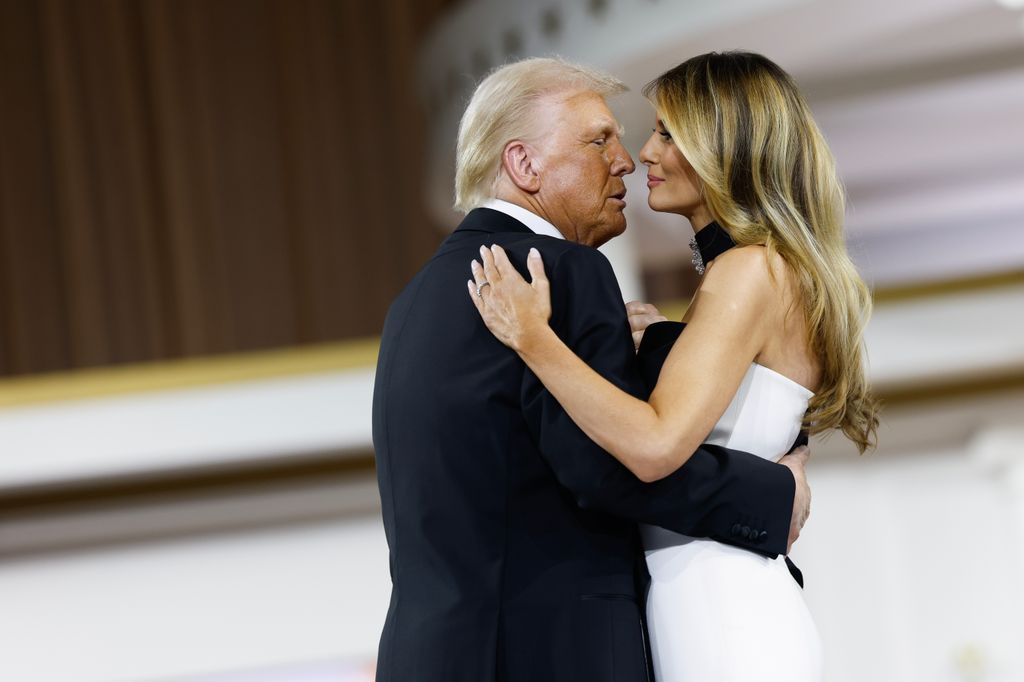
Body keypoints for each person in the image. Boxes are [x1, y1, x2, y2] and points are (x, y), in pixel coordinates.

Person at [372, 56, 812, 682]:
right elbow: (611, 468)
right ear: (524, 165)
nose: (627, 159)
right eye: (599, 139)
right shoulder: (560, 273)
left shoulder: (414, 300)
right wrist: (773, 492)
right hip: (550, 655)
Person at [468, 51, 880, 681]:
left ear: (725, 147)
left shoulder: (748, 270)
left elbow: (657, 445)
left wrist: (533, 339)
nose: (642, 155)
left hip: (725, 617)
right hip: (706, 601)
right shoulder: (753, 271)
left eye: (666, 133)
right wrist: (667, 337)